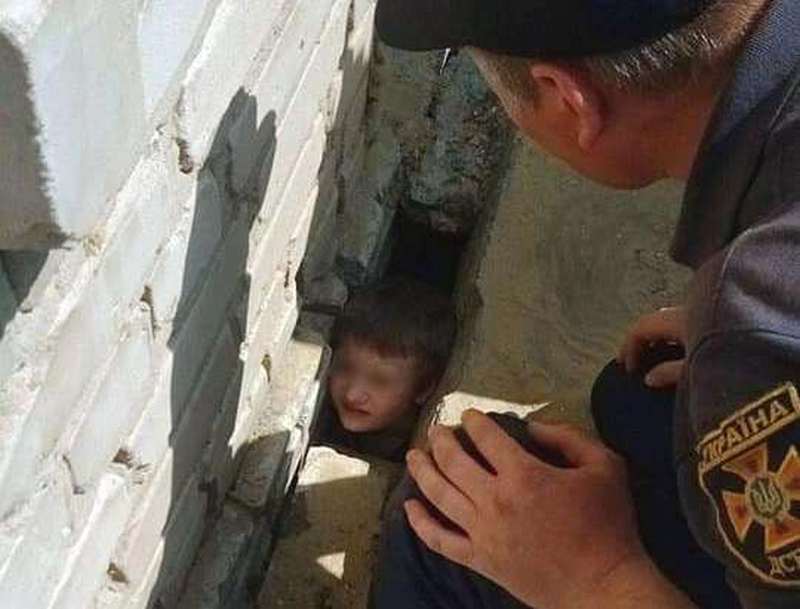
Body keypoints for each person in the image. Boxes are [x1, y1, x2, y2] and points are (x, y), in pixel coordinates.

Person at [370, 0, 800, 608]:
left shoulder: (755, 324)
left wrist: (597, 577)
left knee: (442, 515)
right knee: (635, 396)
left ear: (570, 99)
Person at [316, 276, 456, 462]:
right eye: (344, 368)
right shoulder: (324, 417)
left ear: (424, 389)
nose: (352, 394)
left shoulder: (418, 451)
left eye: (379, 381)